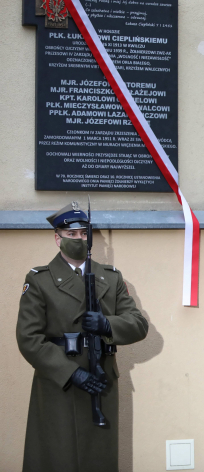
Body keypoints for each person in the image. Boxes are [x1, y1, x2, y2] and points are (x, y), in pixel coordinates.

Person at [16, 202, 149, 472]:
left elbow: (138, 324)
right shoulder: (40, 280)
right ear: (58, 238)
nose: (79, 239)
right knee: (59, 457)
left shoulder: (110, 278)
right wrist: (72, 374)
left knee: (98, 459)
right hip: (59, 385)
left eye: (83, 234)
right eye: (71, 234)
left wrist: (107, 324)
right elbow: (29, 338)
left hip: (101, 382)